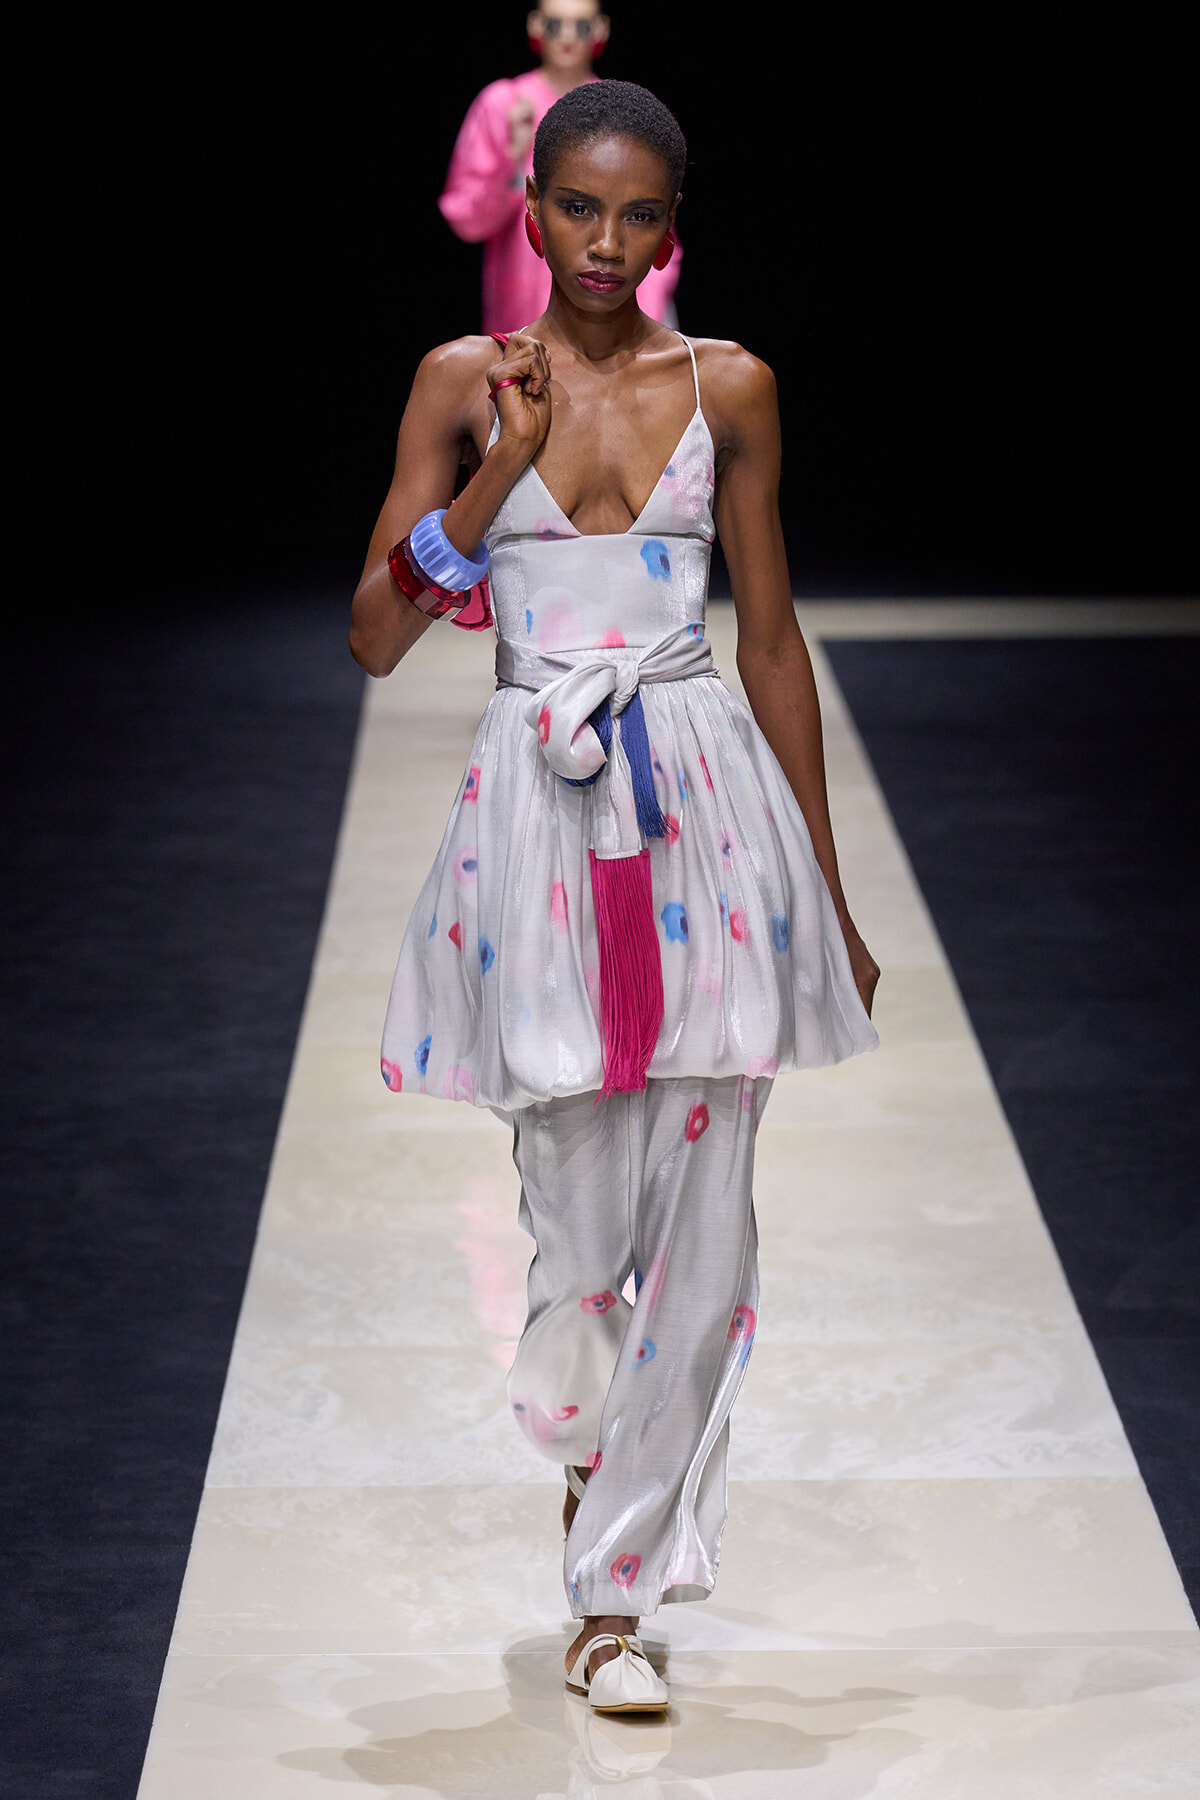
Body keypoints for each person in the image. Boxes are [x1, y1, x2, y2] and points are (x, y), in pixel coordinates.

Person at [351, 80, 879, 1716]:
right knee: (576, 1248)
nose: (606, 241)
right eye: (579, 207)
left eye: (638, 214)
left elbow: (771, 644)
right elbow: (375, 633)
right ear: (531, 211)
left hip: (708, 817)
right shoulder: (463, 384)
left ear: (671, 228)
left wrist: (827, 895)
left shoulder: (731, 387)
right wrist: (496, 469)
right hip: (538, 822)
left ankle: (613, 1603)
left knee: (705, 1244)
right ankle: (596, 1485)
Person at [439, 0, 680, 334]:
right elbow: (467, 220)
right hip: (524, 309)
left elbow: (650, 222)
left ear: (600, 30)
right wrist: (513, 158)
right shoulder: (505, 104)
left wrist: (648, 315)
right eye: (555, 25)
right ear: (536, 25)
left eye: (580, 27)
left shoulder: (622, 112)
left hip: (613, 312)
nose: (567, 37)